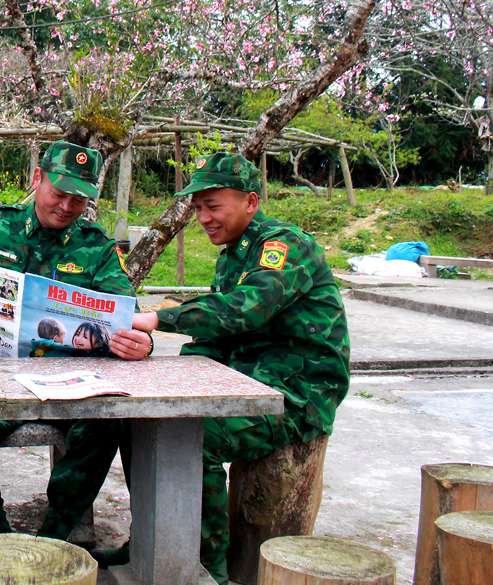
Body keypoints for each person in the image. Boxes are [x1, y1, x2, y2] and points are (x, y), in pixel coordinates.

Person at [0, 141, 153, 541]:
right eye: (59, 194)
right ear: (37, 179)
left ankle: (58, 532)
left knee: (108, 424)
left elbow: (128, 317)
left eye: (79, 199)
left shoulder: (96, 247)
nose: (66, 206)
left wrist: (141, 343)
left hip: (70, 383)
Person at [128, 152, 350, 584]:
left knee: (194, 440)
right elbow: (215, 337)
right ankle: (156, 539)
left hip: (296, 393)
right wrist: (167, 375)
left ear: (250, 201)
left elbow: (243, 311)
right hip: (247, 381)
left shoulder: (284, 246)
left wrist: (159, 317)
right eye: (197, 209)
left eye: (213, 206)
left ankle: (204, 565)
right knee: (144, 423)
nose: (204, 218)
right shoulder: (233, 254)